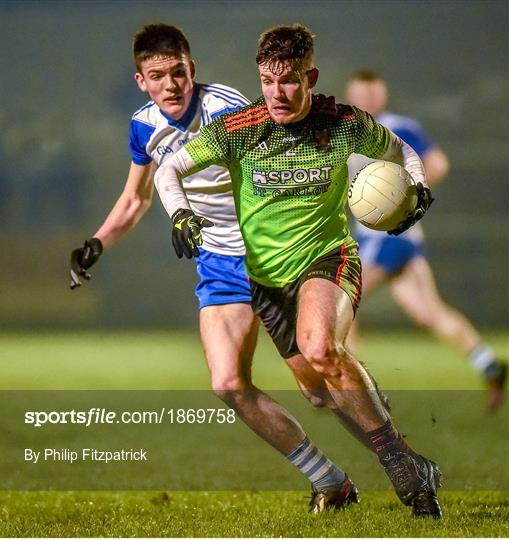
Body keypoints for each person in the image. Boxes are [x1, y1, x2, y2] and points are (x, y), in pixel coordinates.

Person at [69, 23, 360, 513]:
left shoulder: (228, 107)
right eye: (156, 75)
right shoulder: (143, 125)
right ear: (141, 80)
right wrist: (96, 243)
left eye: (178, 72)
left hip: (268, 257)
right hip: (219, 263)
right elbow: (135, 198)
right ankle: (331, 482)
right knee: (228, 384)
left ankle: (397, 452)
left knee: (318, 389)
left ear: (192, 70)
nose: (170, 85)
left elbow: (275, 166)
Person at [156, 24, 443, 518]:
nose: (277, 93)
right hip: (266, 280)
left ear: (310, 75)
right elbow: (168, 170)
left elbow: (402, 152)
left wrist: (415, 190)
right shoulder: (238, 128)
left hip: (326, 259)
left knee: (321, 348)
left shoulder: (344, 122)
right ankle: (410, 458)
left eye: (288, 80)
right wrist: (180, 213)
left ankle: (403, 469)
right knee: (318, 392)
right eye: (268, 81)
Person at [344, 69, 507, 411]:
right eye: (361, 94)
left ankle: (350, 388)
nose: (367, 100)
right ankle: (488, 365)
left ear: (382, 96)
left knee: (344, 295)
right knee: (428, 312)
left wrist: (407, 197)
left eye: (372, 94)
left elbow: (438, 163)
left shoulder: (396, 127)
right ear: (351, 95)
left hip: (386, 236)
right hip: (398, 239)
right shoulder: (348, 132)